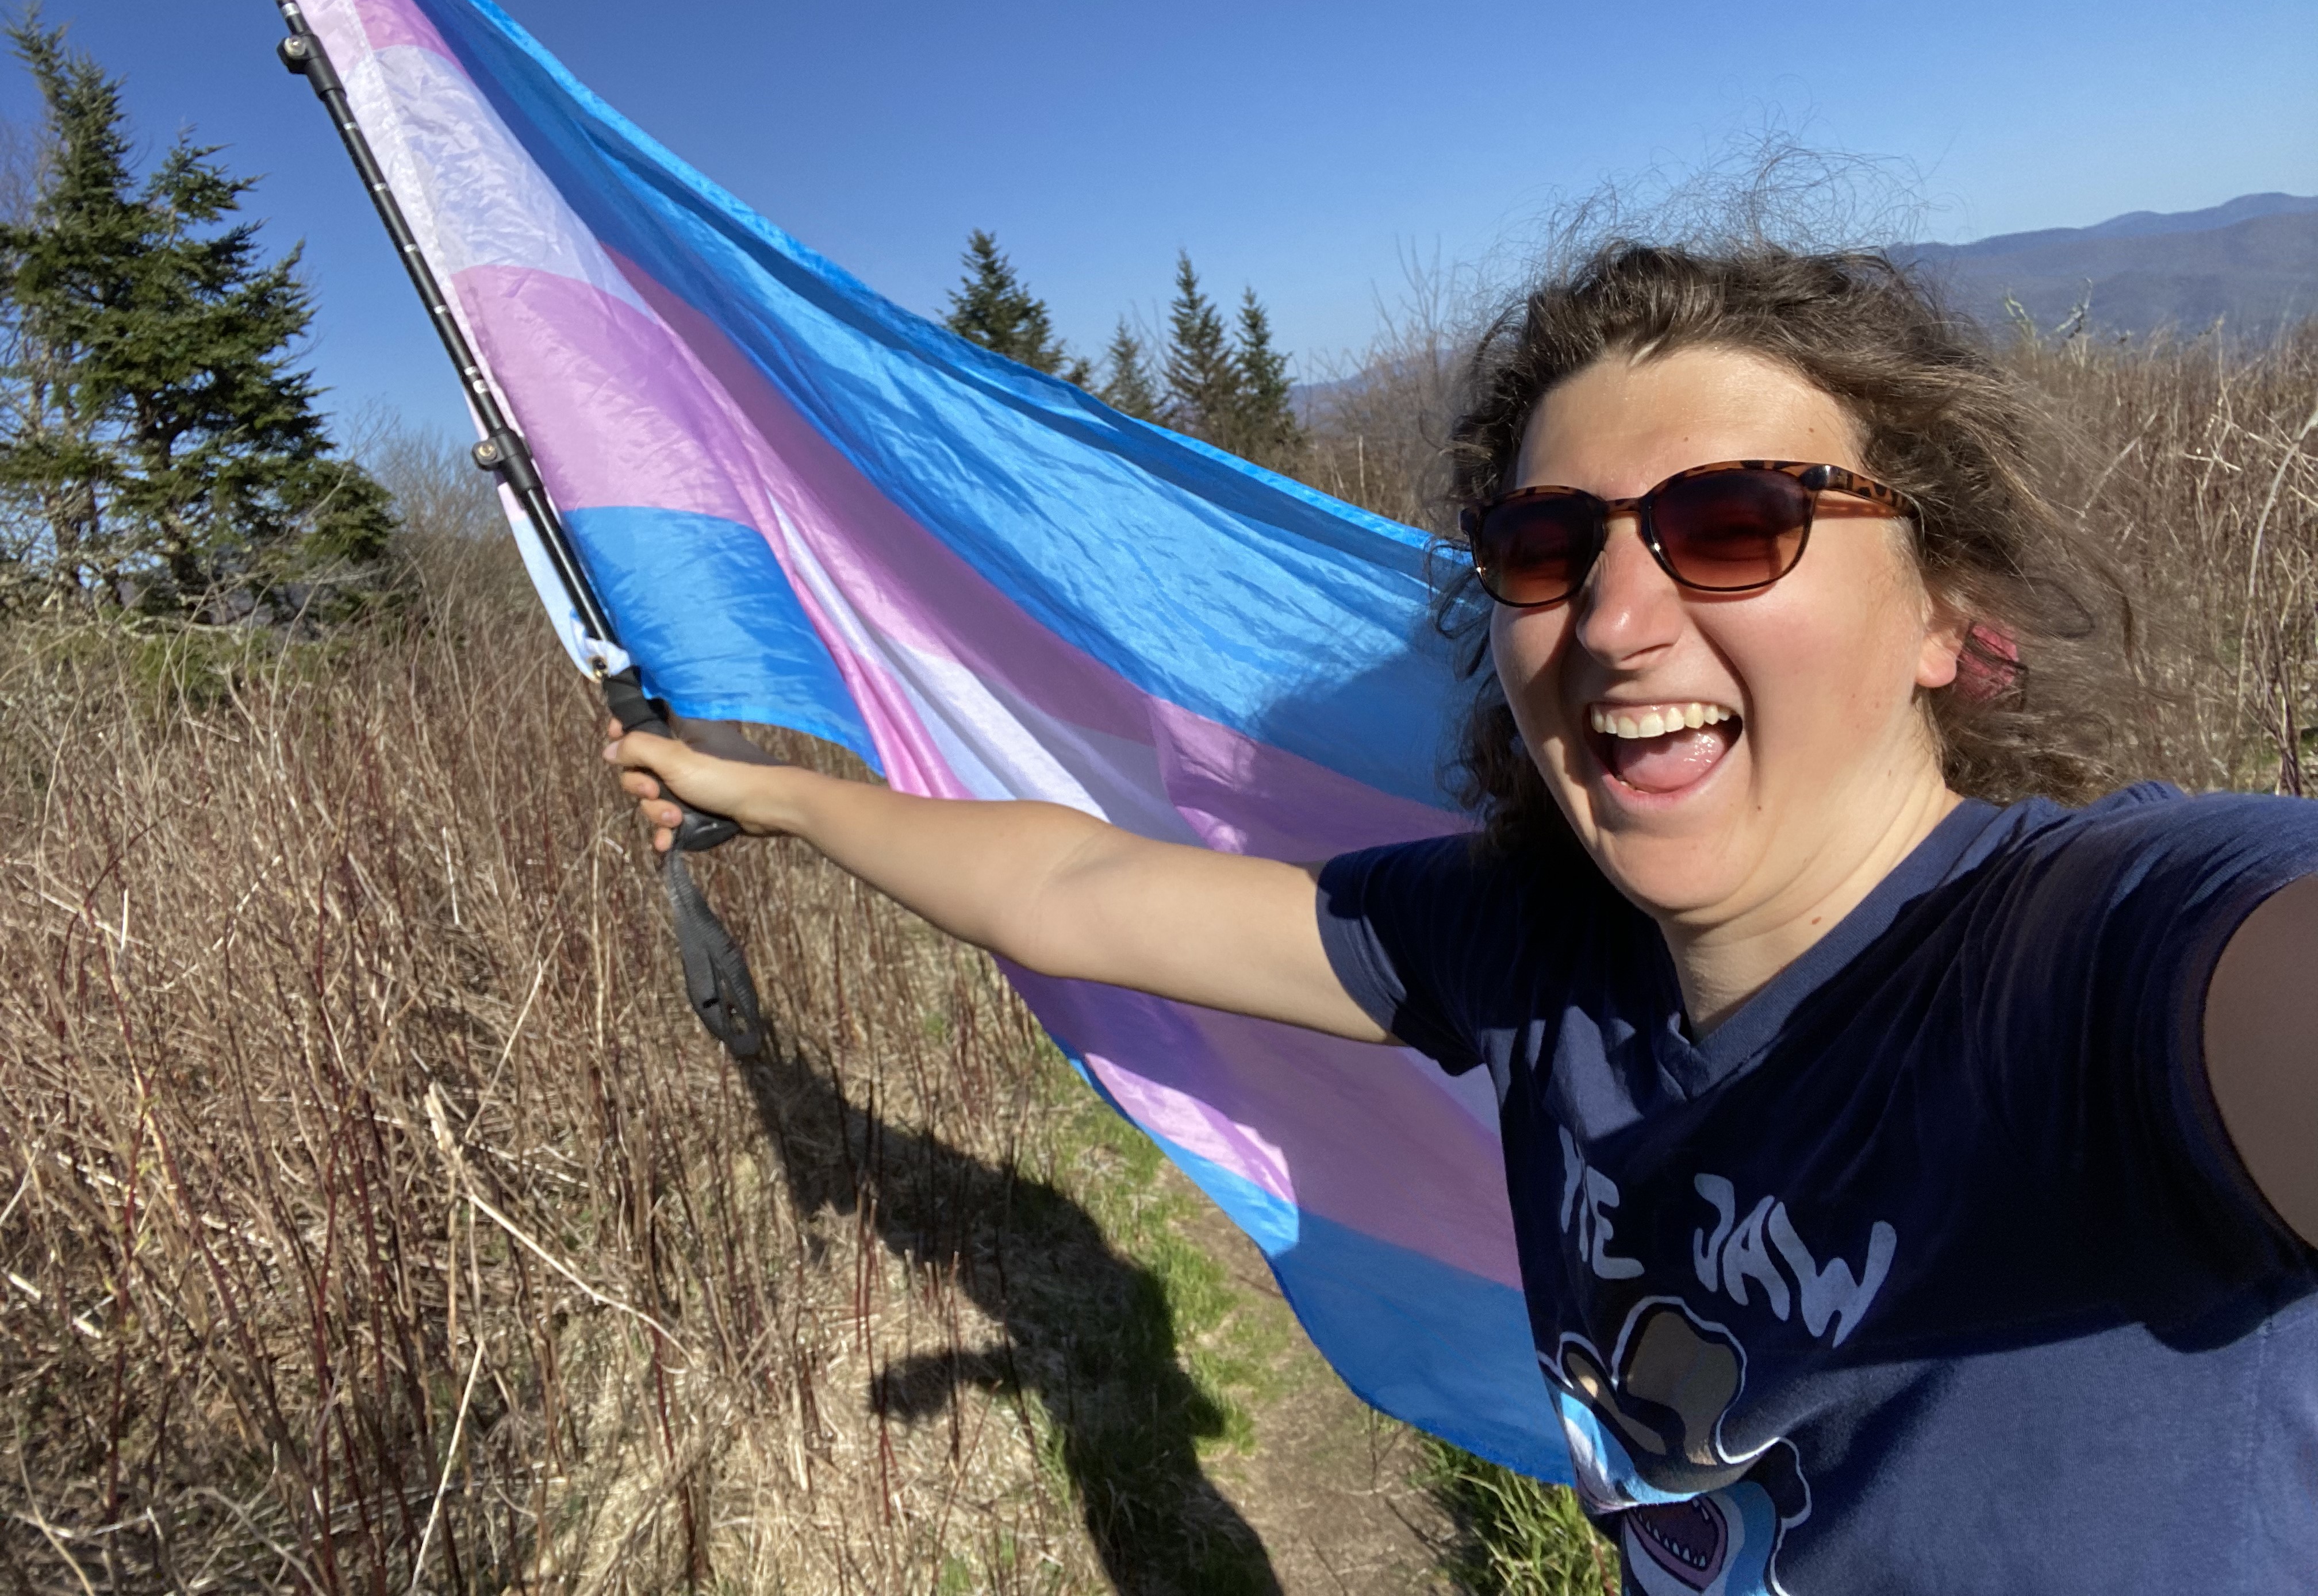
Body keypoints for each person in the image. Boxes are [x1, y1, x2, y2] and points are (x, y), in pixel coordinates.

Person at [605, 244, 2318, 1593]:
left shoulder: (2108, 959)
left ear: (1948, 610)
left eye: (1735, 524)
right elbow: (1080, 891)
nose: (1618, 617)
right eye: (1548, 546)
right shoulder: (1539, 953)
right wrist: (781, 795)